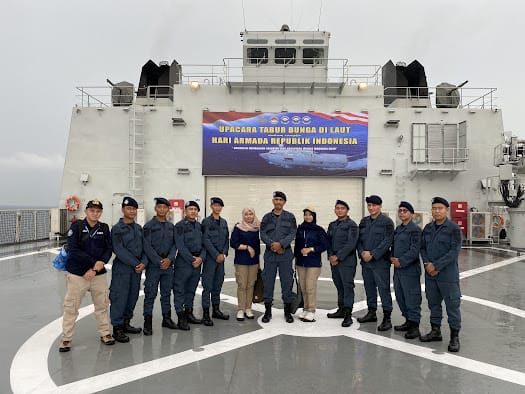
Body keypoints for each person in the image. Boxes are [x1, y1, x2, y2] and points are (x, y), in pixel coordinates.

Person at [59, 199, 114, 352]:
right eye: (92, 210)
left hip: (98, 275)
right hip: (78, 274)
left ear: (101, 212)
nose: (95, 213)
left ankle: (105, 334)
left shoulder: (104, 227)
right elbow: (73, 249)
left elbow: (108, 248)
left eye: (98, 211)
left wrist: (100, 264)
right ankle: (66, 339)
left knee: (102, 305)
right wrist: (93, 264)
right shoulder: (76, 227)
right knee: (71, 307)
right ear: (86, 211)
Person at [420, 197, 462, 352]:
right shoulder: (428, 228)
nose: (437, 211)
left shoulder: (454, 229)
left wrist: (436, 265)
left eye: (440, 208)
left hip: (447, 275)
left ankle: (454, 337)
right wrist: (427, 264)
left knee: (452, 305)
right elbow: (422, 248)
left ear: (446, 210)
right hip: (431, 274)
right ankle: (435, 331)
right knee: (433, 304)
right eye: (434, 208)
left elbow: (454, 252)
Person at [109, 197, 147, 343]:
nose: (132, 211)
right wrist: (136, 263)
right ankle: (117, 328)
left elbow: (145, 247)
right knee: (119, 297)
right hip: (123, 269)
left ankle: (126, 323)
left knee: (132, 296)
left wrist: (144, 262)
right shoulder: (117, 229)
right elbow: (118, 249)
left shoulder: (138, 228)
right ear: (123, 210)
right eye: (129, 208)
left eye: (134, 209)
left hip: (136, 269)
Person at [357, 195, 395, 331]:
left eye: (374, 205)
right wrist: (362, 253)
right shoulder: (364, 221)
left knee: (383, 289)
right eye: (369, 205)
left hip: (380, 262)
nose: (371, 208)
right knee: (369, 288)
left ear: (380, 206)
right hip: (366, 262)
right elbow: (359, 240)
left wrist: (373, 254)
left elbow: (387, 241)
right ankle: (371, 312)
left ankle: (387, 317)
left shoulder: (387, 222)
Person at [260, 191, 297, 323]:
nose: (278, 202)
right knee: (268, 283)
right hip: (270, 255)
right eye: (276, 199)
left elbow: (293, 233)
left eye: (281, 200)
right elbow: (262, 233)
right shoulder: (266, 217)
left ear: (284, 202)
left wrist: (281, 244)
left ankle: (287, 312)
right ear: (273, 201)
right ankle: (267, 311)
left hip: (285, 255)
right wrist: (272, 245)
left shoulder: (290, 217)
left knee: (287, 283)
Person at [142, 197, 178, 335]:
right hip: (153, 266)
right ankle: (147, 322)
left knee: (166, 293)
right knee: (150, 293)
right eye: (160, 207)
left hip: (168, 266)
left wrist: (169, 259)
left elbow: (175, 245)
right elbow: (147, 246)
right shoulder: (149, 226)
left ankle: (167, 319)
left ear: (168, 209)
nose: (162, 209)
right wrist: (158, 261)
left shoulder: (171, 226)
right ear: (156, 208)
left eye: (165, 207)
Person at [390, 201, 422, 339]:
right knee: (400, 296)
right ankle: (408, 321)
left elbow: (415, 250)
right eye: (400, 211)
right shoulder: (398, 229)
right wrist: (392, 258)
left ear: (411, 214)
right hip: (398, 269)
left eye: (405, 211)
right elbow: (394, 246)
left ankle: (415, 326)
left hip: (409, 269)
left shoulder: (415, 230)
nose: (402, 213)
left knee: (411, 297)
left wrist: (401, 261)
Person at [326, 200, 359, 327]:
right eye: (337, 208)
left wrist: (338, 257)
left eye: (342, 208)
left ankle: (348, 315)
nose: (339, 210)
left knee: (347, 287)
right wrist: (330, 256)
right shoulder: (332, 225)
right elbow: (328, 242)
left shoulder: (352, 225)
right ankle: (341, 309)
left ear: (347, 210)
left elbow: (351, 244)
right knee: (339, 285)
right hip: (334, 261)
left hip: (347, 261)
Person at [174, 201, 206, 330]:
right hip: (184, 262)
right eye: (190, 209)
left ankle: (189, 313)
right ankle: (181, 317)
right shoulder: (179, 226)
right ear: (185, 211)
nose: (193, 211)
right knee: (180, 290)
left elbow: (204, 244)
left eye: (195, 209)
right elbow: (180, 245)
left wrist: (201, 258)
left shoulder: (200, 226)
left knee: (191, 290)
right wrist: (191, 259)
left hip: (197, 262)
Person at [294, 206, 328, 322]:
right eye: (306, 214)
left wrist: (311, 249)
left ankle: (311, 310)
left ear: (314, 216)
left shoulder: (319, 230)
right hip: (301, 262)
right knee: (303, 287)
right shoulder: (300, 229)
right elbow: (297, 245)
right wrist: (296, 259)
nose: (307, 217)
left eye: (310, 214)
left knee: (310, 286)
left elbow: (324, 245)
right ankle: (305, 308)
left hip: (313, 262)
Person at [201, 197, 230, 326]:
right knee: (208, 286)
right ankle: (206, 313)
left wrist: (223, 254)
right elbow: (205, 240)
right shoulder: (206, 222)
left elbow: (226, 240)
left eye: (219, 206)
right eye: (215, 205)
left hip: (221, 259)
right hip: (210, 259)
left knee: (218, 285)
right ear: (211, 207)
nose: (217, 208)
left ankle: (216, 310)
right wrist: (216, 254)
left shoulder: (223, 222)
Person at [230, 207, 261, 321]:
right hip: (241, 261)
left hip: (253, 262)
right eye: (246, 214)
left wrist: (258, 262)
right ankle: (240, 309)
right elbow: (233, 243)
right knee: (242, 285)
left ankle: (248, 308)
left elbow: (257, 247)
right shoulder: (238, 227)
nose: (248, 216)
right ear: (243, 215)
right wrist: (247, 247)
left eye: (251, 214)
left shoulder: (256, 228)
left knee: (251, 285)